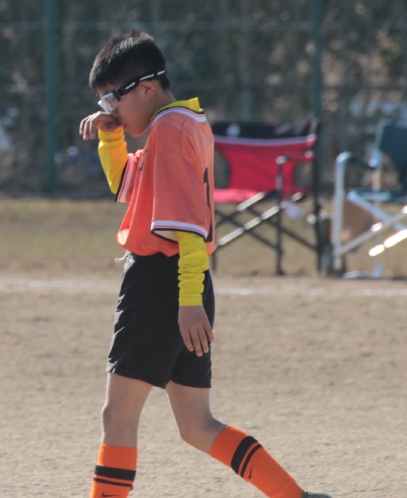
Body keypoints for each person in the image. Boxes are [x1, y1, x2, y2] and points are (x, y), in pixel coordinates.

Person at [77, 29, 331, 498]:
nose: (108, 109)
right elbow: (125, 187)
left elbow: (189, 228)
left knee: (118, 417)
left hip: (163, 284)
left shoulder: (170, 132)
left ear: (146, 89)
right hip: (182, 285)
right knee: (196, 425)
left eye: (113, 99)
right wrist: (112, 137)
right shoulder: (182, 121)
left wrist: (188, 301)